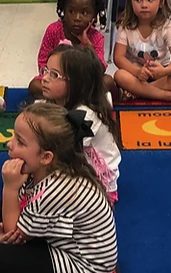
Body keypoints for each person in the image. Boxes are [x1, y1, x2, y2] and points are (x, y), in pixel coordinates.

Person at [0, 103, 118, 273]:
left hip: (83, 268)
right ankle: (9, 253)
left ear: (46, 157)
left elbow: (13, 227)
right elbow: (24, 202)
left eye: (19, 142)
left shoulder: (55, 189)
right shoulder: (49, 170)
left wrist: (10, 187)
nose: (10, 145)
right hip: (64, 241)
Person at [38, 44, 121, 204]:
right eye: (45, 71)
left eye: (54, 75)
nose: (45, 78)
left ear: (77, 83)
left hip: (98, 186)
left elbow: (64, 149)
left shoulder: (86, 115)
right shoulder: (58, 101)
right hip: (77, 166)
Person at [28, 0, 115, 99]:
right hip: (56, 79)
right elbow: (43, 61)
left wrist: (88, 45)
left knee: (108, 81)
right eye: (71, 11)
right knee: (34, 85)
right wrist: (54, 77)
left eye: (84, 13)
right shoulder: (53, 30)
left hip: (83, 82)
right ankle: (81, 98)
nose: (77, 18)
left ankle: (65, 98)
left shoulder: (96, 37)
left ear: (94, 16)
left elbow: (99, 69)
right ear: (64, 11)